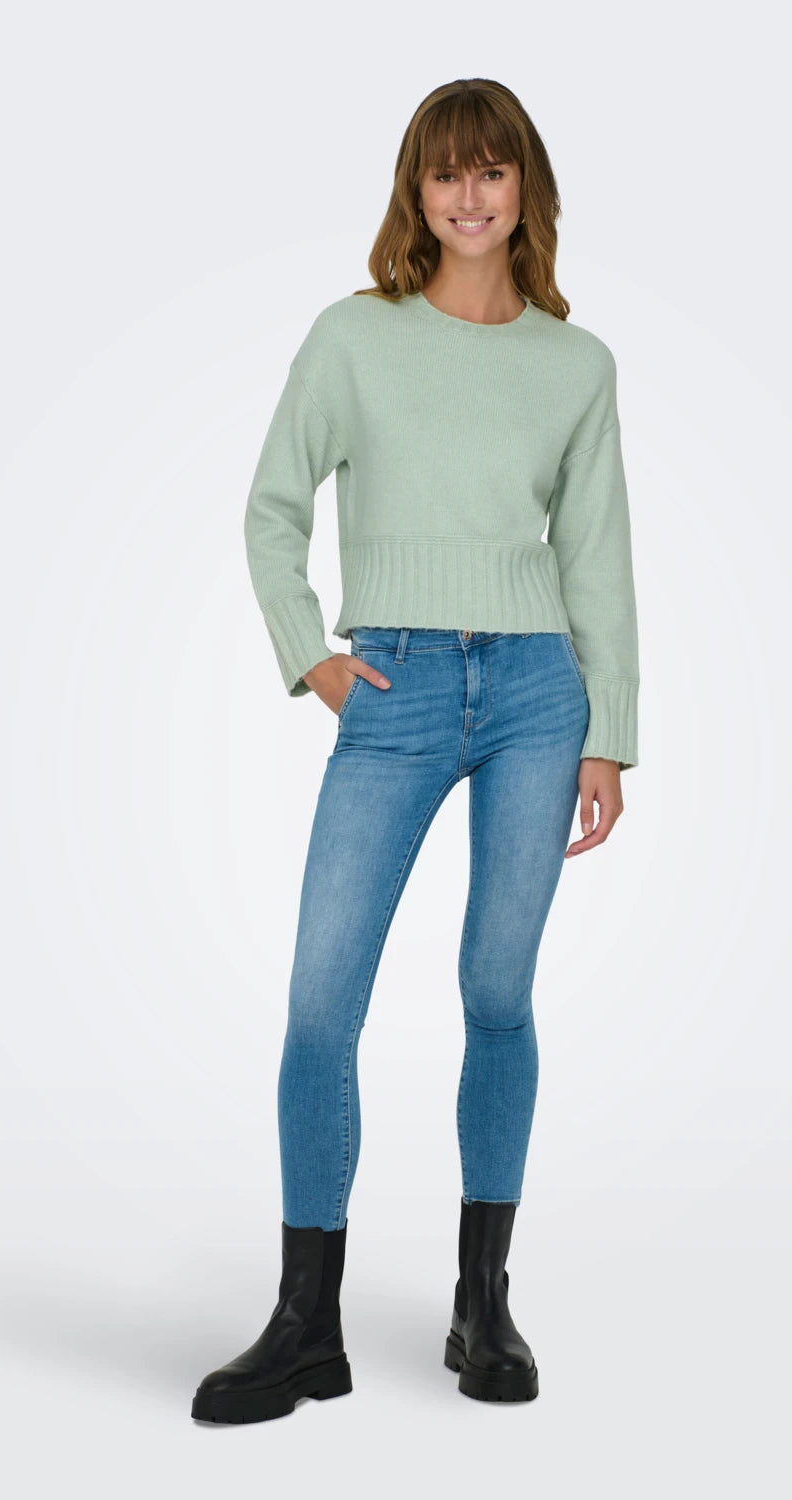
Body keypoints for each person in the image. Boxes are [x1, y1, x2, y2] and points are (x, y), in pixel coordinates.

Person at [191, 77, 640, 1424]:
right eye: (446, 172)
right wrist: (313, 654)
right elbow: (272, 508)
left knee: (496, 991)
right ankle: (304, 1325)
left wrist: (608, 734)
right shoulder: (354, 337)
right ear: (416, 191)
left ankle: (480, 1302)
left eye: (492, 170)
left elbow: (596, 559)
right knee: (319, 1007)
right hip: (389, 684)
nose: (468, 195)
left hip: (535, 693)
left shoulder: (577, 366)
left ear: (526, 189)